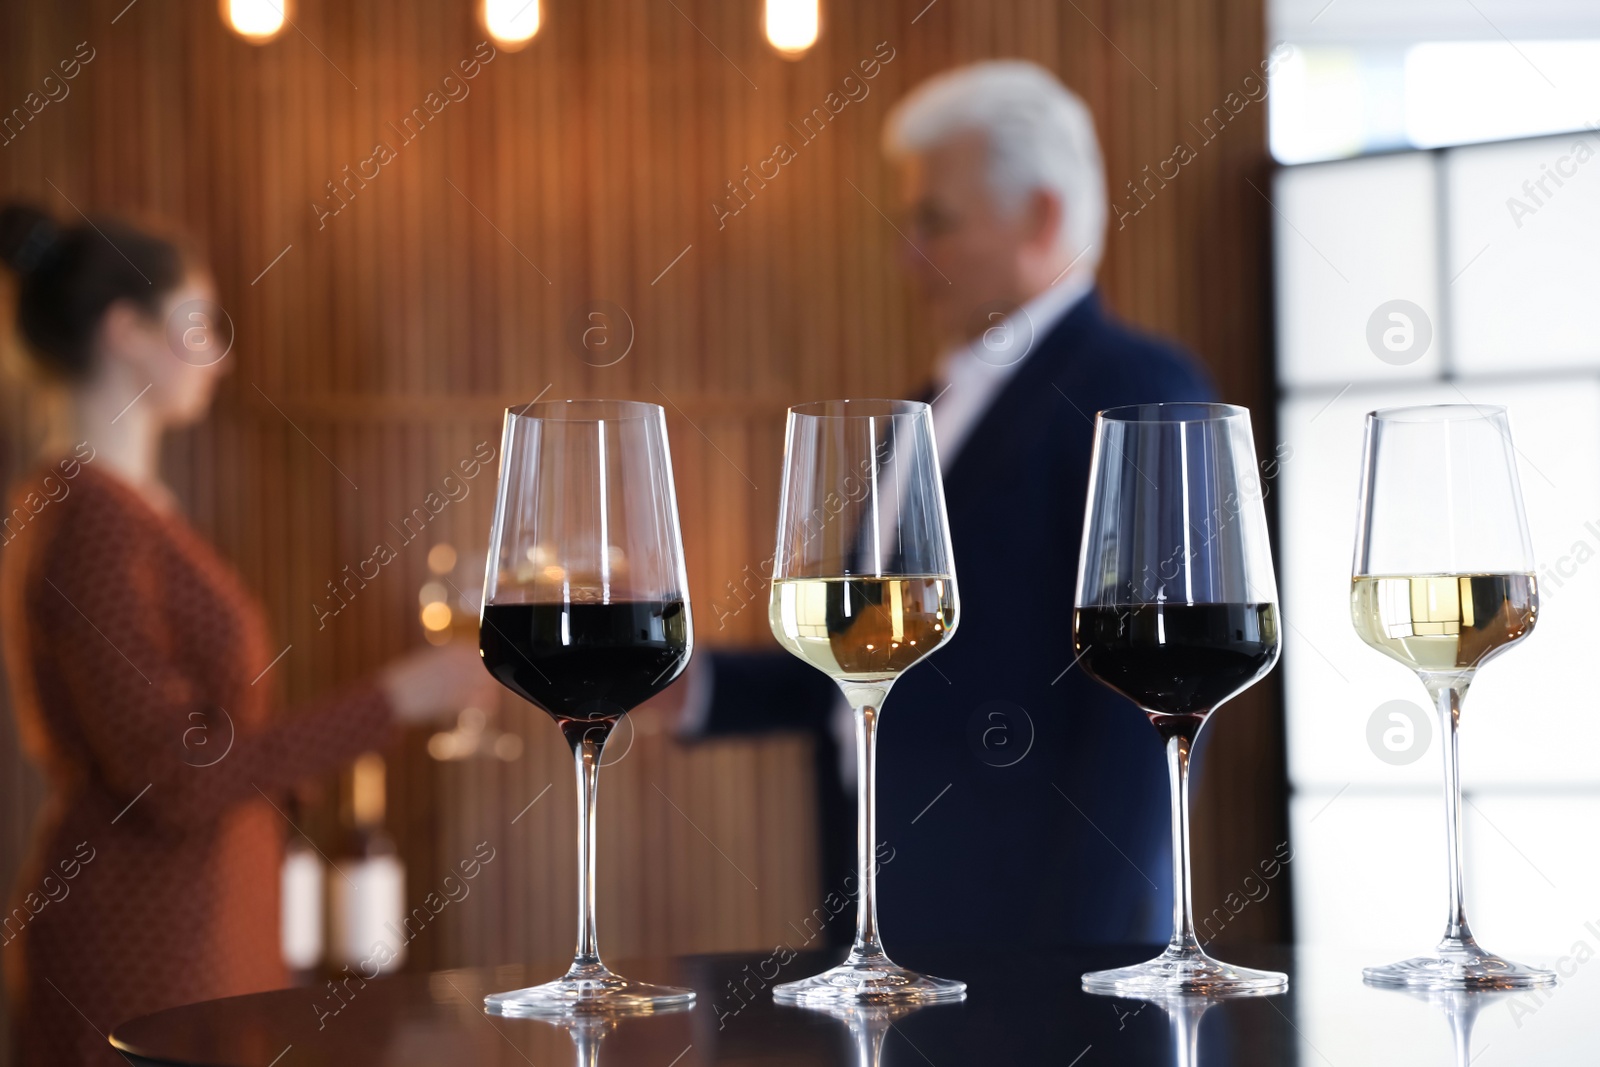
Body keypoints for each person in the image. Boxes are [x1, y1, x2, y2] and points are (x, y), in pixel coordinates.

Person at [674, 62, 1216, 950]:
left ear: (1040, 216)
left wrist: (1091, 965)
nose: (907, 256)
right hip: (895, 930)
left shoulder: (1140, 389)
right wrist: (693, 688)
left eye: (935, 222)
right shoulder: (929, 402)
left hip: (1037, 953)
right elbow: (880, 651)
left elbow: (1146, 709)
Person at [0, 202, 495, 1065]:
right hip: (142, 937)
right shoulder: (91, 518)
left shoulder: (123, 510)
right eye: (200, 323)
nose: (223, 355)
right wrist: (398, 696)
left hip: (201, 918)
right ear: (126, 332)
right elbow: (177, 778)